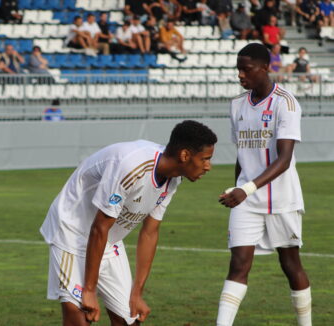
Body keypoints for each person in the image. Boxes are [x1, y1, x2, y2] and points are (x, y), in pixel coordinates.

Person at [41, 120, 217, 326]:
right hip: (72, 233)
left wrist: (137, 293)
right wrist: (89, 290)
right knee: (81, 317)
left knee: (129, 321)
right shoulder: (131, 165)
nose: (208, 166)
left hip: (108, 240)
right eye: (205, 159)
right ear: (185, 155)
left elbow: (150, 232)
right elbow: (99, 227)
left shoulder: (173, 179)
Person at [216, 43, 311, 326]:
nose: (240, 76)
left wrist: (243, 190)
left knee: (290, 263)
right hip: (247, 199)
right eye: (238, 70)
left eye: (246, 70)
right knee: (238, 264)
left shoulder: (287, 103)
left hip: (283, 198)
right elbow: (241, 156)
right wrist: (238, 189)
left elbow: (284, 160)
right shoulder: (237, 105)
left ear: (264, 67)